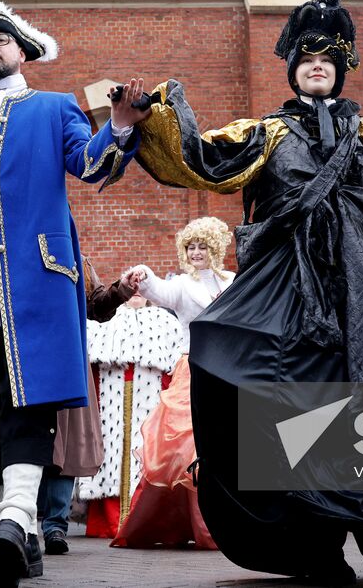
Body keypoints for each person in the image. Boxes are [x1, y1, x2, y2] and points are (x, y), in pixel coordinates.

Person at [131, 0, 363, 588]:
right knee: (289, 405)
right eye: (307, 60)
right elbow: (200, 158)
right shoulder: (266, 134)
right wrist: (156, 113)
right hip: (288, 290)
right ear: (294, 71)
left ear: (342, 69)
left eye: (327, 60)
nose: (317, 68)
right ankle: (319, 546)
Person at [0, 0, 144, 588]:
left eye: (0, 41)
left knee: (29, 394)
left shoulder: (52, 109)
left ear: (23, 52)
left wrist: (118, 127)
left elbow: (91, 165)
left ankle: (18, 518)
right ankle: (12, 527)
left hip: (36, 275)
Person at [113, 216, 237, 549]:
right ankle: (200, 526)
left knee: (230, 444)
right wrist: (142, 274)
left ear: (215, 249)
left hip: (230, 370)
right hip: (194, 368)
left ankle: (232, 523)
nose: (196, 253)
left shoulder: (234, 282)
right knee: (188, 447)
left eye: (202, 247)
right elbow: (159, 291)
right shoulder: (182, 285)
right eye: (190, 247)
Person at [39, 258, 137, 555]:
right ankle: (21, 521)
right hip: (27, 356)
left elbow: (96, 306)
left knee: (65, 444)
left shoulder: (73, 255)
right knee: (26, 441)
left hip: (67, 357)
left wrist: (122, 290)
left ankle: (55, 525)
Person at [78, 291, 184, 539]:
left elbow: (175, 372)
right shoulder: (109, 323)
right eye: (131, 290)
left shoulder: (166, 324)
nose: (136, 294)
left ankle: (144, 520)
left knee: (147, 459)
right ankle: (113, 522)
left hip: (150, 402)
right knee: (112, 459)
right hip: (112, 402)